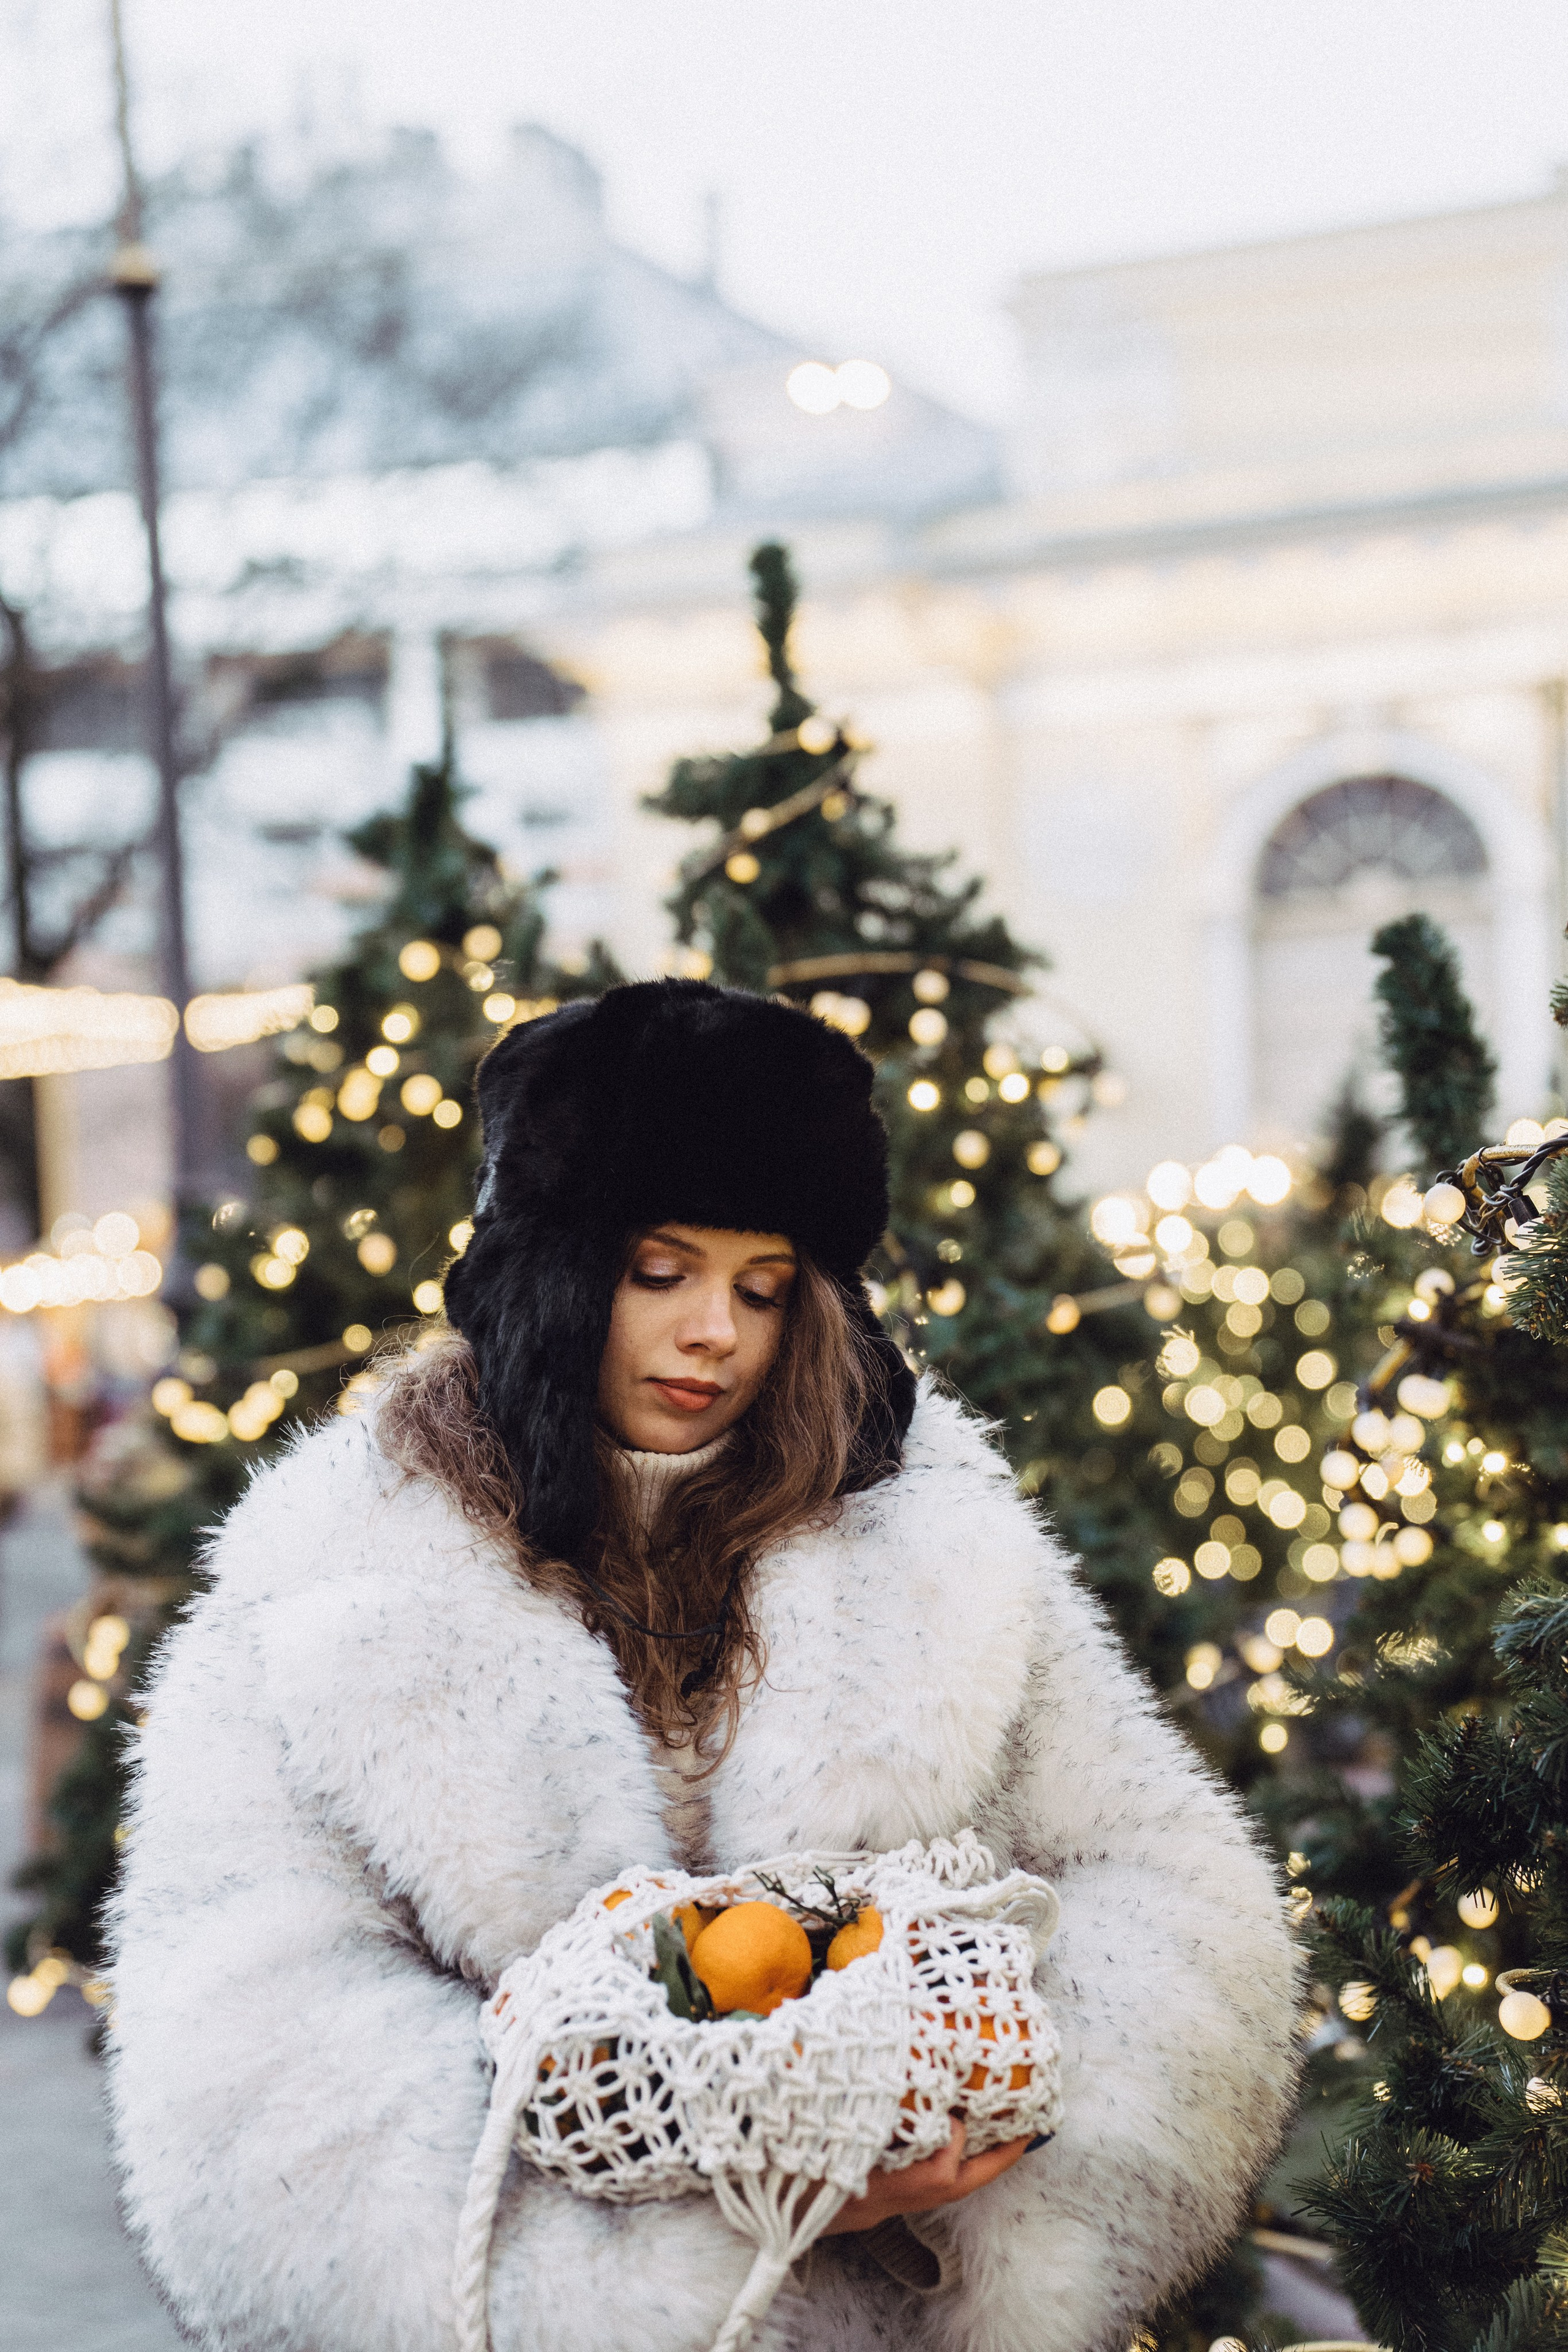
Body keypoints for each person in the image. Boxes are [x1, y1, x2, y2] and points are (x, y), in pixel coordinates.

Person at [109, 978, 1299, 2352]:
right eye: (658, 1273)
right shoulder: (332, 1581)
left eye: (762, 1287)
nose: (715, 1334)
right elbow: (246, 2033)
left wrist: (966, 2136)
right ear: (556, 1272)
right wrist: (692, 2228)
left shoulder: (936, 1546)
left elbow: (1164, 1895)